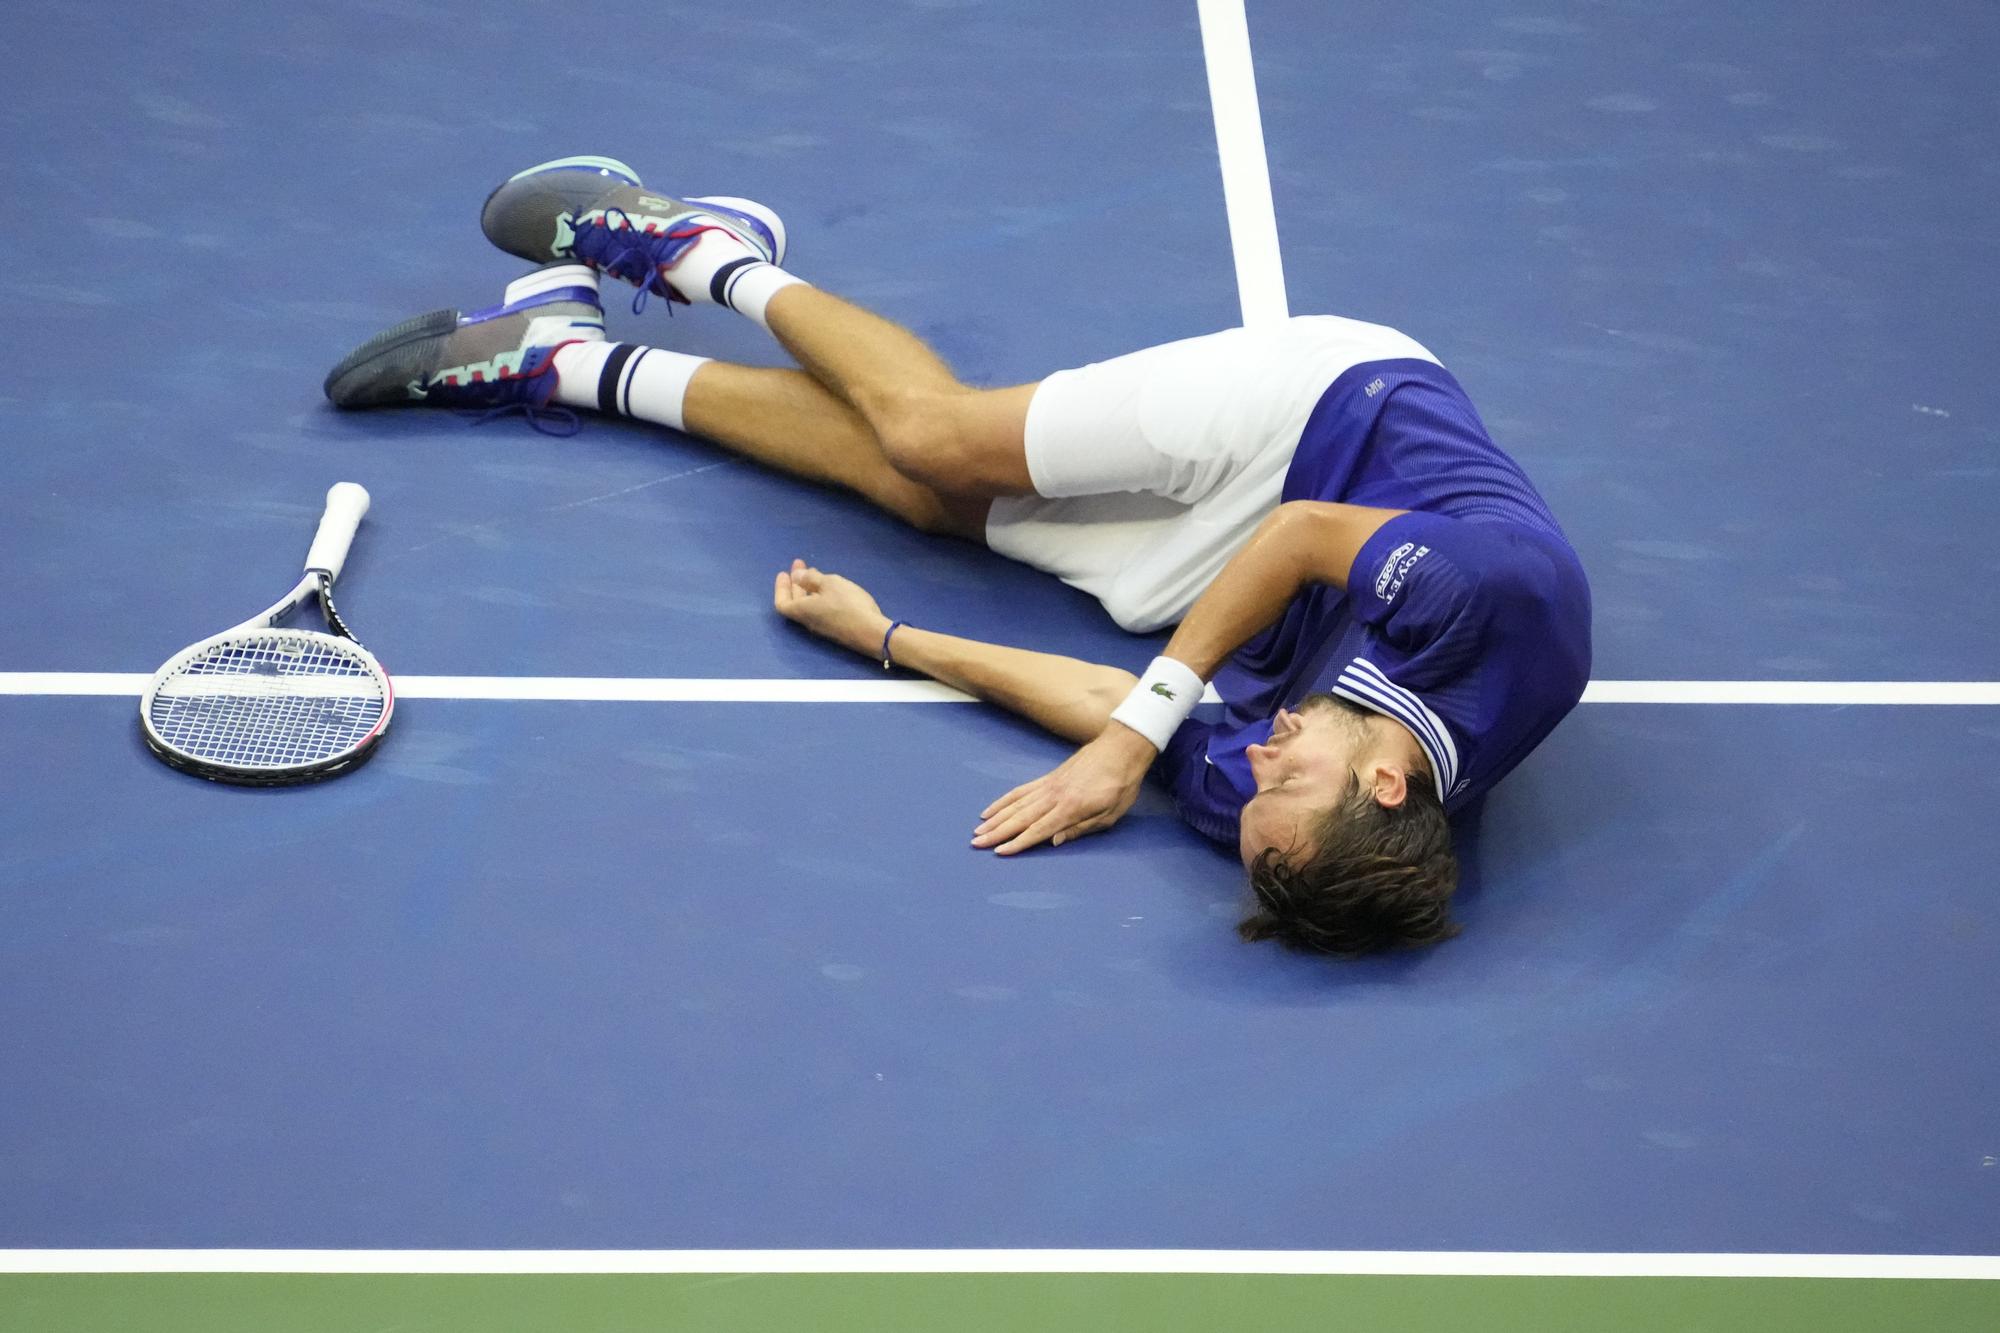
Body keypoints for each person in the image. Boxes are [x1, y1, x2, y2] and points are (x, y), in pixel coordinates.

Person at [325, 155, 1592, 958]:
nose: (1261, 756)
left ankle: (570, 357)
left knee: (922, 504)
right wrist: (1138, 730)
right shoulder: (1506, 615)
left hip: (1261, 593)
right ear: (1384, 790)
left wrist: (887, 639)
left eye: (1255, 781)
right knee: (941, 438)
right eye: (1287, 767)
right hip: (1325, 415)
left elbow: (1115, 713)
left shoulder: (1292, 837)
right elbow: (1297, 538)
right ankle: (705, 252)